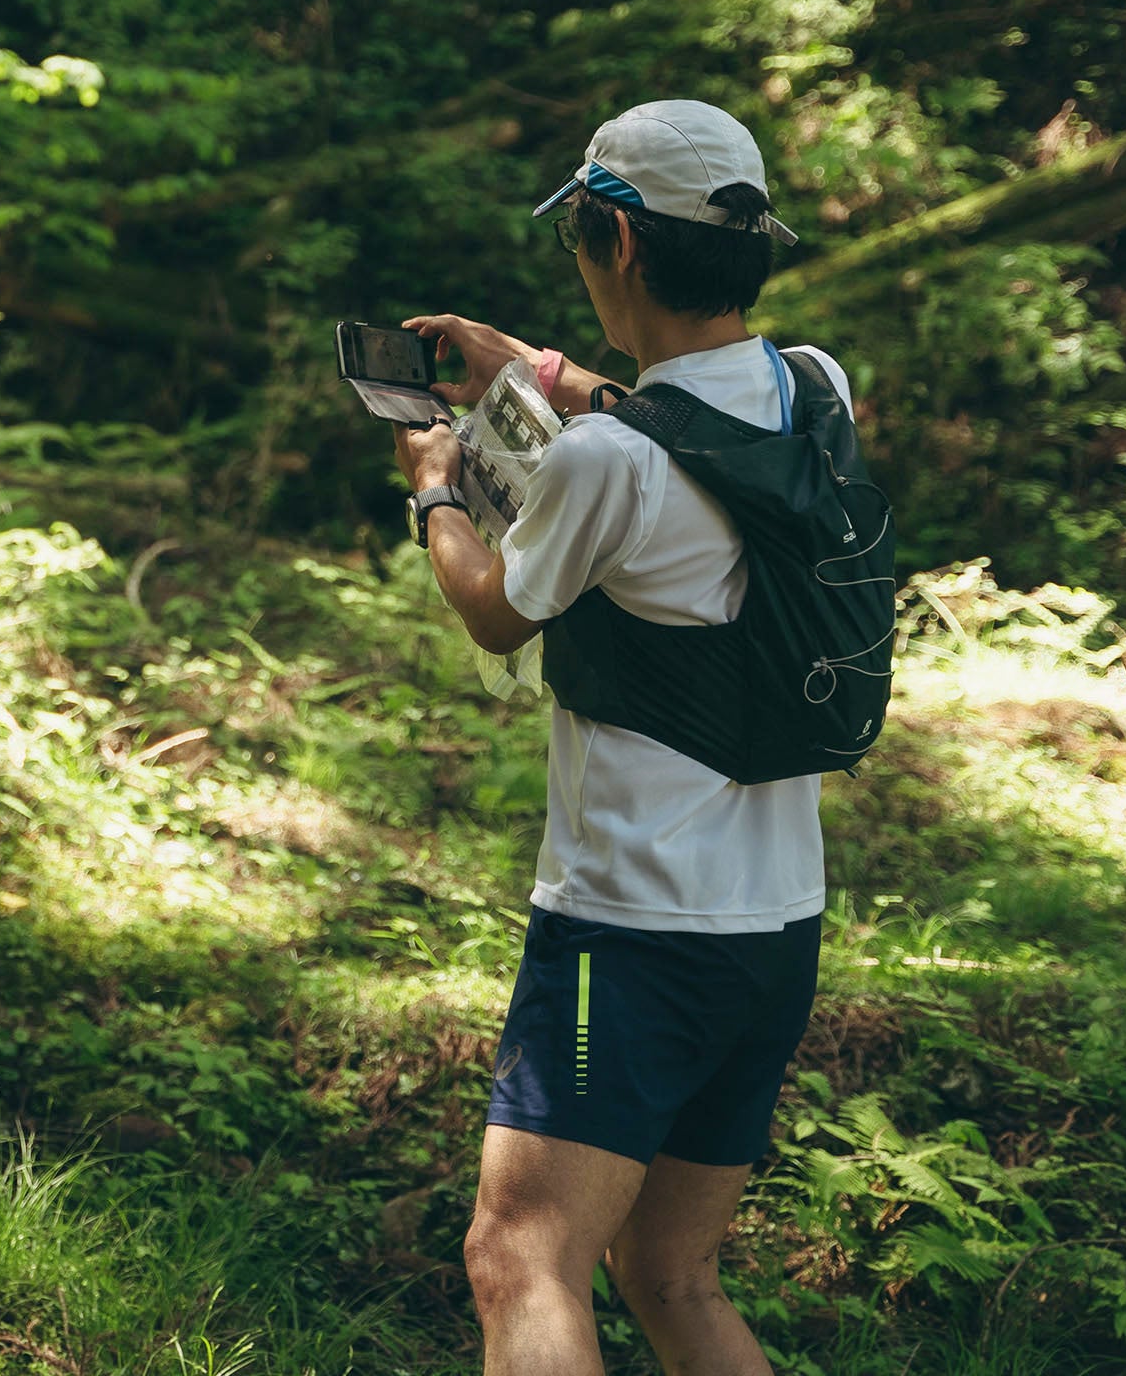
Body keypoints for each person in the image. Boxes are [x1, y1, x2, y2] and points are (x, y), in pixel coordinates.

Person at [396, 98, 842, 1376]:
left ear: (621, 247)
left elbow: (494, 610)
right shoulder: (816, 392)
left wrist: (436, 488)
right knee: (670, 1270)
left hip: (631, 929)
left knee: (521, 1258)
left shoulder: (605, 462)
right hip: (777, 923)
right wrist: (529, 370)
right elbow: (696, 426)